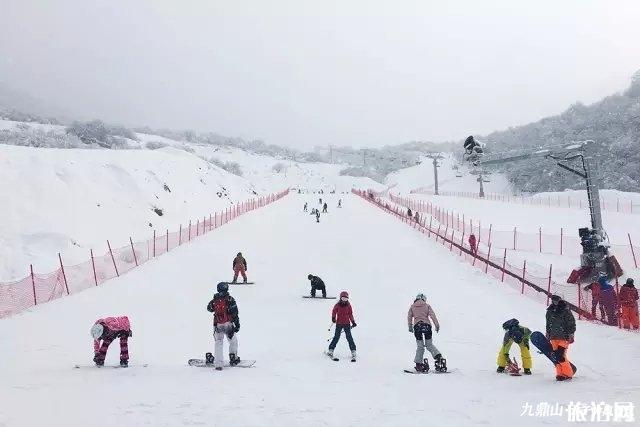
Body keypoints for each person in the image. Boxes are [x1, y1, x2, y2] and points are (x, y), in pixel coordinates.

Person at [206, 282, 241, 370]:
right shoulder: (230, 299)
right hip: (228, 324)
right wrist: (237, 325)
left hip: (218, 324)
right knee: (233, 340)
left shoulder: (215, 300)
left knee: (218, 342)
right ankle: (233, 357)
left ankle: (218, 364)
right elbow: (235, 313)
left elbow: (209, 308)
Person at [407, 293, 445, 372]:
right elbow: (432, 315)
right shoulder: (427, 306)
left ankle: (419, 364)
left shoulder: (412, 307)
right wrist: (437, 325)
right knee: (429, 344)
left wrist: (410, 326)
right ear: (424, 299)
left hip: (417, 327)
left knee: (420, 346)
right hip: (427, 326)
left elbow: (409, 317)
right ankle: (439, 358)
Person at [546, 295, 576, 381]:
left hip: (564, 337)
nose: (554, 302)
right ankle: (560, 374)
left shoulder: (565, 310)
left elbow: (571, 323)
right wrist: (548, 332)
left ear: (560, 300)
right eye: (553, 300)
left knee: (560, 355)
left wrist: (571, 334)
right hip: (553, 336)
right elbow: (548, 323)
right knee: (556, 356)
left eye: (556, 300)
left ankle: (568, 373)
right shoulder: (550, 311)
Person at [327, 291, 357, 361]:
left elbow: (350, 314)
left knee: (349, 337)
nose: (344, 300)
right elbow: (334, 311)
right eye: (343, 298)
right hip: (339, 324)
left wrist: (353, 322)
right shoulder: (337, 305)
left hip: (347, 324)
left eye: (346, 298)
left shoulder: (349, 305)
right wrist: (333, 318)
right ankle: (331, 350)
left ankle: (353, 351)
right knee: (336, 337)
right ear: (341, 298)